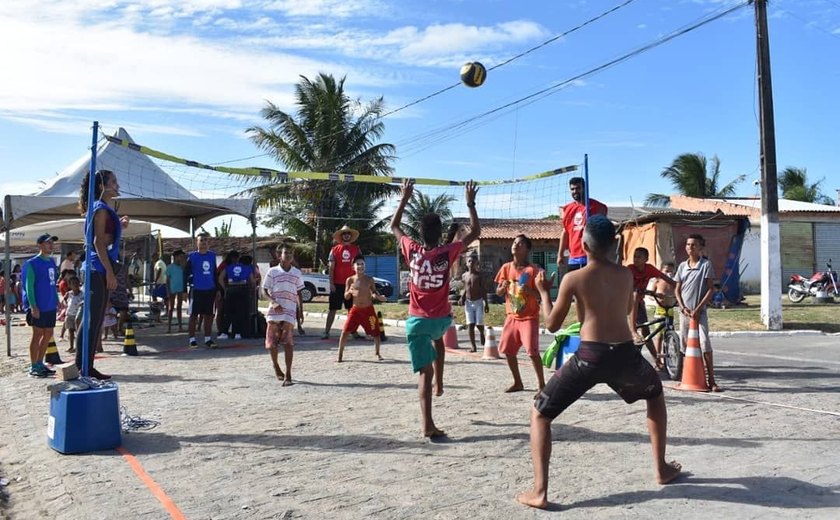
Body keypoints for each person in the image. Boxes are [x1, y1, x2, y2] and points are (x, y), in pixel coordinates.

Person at [517, 215, 681, 509]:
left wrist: (543, 293)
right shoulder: (626, 275)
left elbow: (552, 324)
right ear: (613, 245)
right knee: (654, 396)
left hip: (590, 355)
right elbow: (627, 307)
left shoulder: (574, 278)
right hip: (624, 354)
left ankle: (540, 491)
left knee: (540, 413)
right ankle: (661, 468)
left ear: (583, 244)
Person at [391, 179, 480, 438]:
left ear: (420, 234)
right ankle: (439, 381)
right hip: (441, 319)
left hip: (417, 321)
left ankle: (428, 420)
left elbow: (395, 226)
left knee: (423, 373)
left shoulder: (413, 250)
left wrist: (404, 197)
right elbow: (475, 232)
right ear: (441, 234)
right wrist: (470, 202)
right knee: (439, 339)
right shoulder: (447, 253)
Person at [76, 168, 129, 380]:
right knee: (92, 320)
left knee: (94, 320)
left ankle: (85, 366)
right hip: (97, 268)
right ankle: (84, 367)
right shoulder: (100, 208)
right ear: (102, 186)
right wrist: (109, 272)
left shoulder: (102, 208)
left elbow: (105, 239)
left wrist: (120, 227)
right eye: (114, 181)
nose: (118, 185)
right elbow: (98, 242)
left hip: (97, 267)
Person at [495, 234, 545, 395]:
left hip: (529, 317)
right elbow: (497, 291)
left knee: (532, 351)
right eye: (514, 242)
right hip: (511, 316)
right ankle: (517, 382)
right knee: (508, 351)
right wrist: (501, 289)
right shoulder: (506, 268)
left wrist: (529, 291)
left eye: (520, 243)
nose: (515, 245)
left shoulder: (533, 271)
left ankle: (542, 385)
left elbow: (541, 295)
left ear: (527, 249)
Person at [675, 233, 720, 392]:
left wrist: (699, 308)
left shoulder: (705, 265)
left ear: (701, 247)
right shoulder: (682, 266)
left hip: (699, 313)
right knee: (685, 344)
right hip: (685, 312)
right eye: (688, 244)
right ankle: (684, 377)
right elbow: (677, 290)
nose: (690, 247)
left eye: (694, 245)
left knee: (704, 342)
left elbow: (710, 289)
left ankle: (711, 380)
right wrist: (682, 307)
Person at [262, 245, 305, 386]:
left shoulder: (297, 273)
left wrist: (300, 311)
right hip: (274, 311)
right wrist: (273, 302)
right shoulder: (272, 271)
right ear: (279, 255)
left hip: (290, 310)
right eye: (286, 253)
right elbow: (264, 290)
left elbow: (299, 293)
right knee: (272, 344)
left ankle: (288, 374)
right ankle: (276, 366)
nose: (288, 255)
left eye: (291, 253)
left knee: (288, 343)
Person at [628, 247, 676, 370]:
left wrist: (679, 288)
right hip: (626, 302)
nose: (636, 259)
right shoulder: (630, 269)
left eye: (639, 257)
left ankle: (657, 361)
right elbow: (627, 287)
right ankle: (633, 331)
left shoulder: (649, 269)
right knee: (634, 295)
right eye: (635, 256)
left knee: (646, 333)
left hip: (639, 302)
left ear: (646, 259)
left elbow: (668, 280)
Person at [22, 234, 60, 377]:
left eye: (52, 243)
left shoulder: (51, 262)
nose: (51, 245)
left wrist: (57, 299)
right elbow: (29, 286)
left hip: (50, 305)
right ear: (40, 245)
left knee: (48, 333)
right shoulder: (32, 263)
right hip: (38, 305)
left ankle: (40, 362)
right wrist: (33, 306)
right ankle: (33, 365)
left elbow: (52, 283)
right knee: (37, 334)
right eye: (47, 243)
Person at [337, 255, 386, 362]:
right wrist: (349, 292)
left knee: (376, 333)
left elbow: (374, 292)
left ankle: (377, 353)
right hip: (355, 311)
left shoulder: (369, 279)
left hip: (368, 310)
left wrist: (377, 296)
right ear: (353, 267)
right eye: (358, 264)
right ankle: (339, 355)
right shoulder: (350, 280)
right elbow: (346, 296)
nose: (360, 266)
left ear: (365, 266)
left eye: (362, 264)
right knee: (345, 331)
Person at [557, 177, 608, 271]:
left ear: (585, 188)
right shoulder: (567, 209)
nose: (575, 191)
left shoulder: (598, 207)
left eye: (578, 188)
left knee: (591, 285)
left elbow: (604, 231)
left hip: (592, 257)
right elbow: (565, 232)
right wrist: (560, 254)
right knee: (575, 285)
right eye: (572, 189)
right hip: (574, 258)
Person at [322, 225, 361, 339]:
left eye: (348, 233)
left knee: (352, 310)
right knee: (332, 309)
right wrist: (331, 283)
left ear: (351, 235)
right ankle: (326, 331)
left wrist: (359, 282)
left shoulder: (356, 249)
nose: (346, 235)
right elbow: (331, 268)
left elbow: (360, 266)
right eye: (344, 233)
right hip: (337, 284)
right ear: (341, 236)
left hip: (352, 284)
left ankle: (353, 332)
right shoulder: (334, 250)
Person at [186, 232, 217, 348]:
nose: (204, 242)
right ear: (197, 242)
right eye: (201, 240)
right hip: (196, 290)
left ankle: (208, 339)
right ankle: (192, 340)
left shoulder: (212, 256)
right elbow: (186, 273)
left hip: (210, 289)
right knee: (193, 315)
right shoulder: (192, 256)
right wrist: (185, 289)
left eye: (205, 240)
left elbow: (214, 272)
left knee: (209, 315)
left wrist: (217, 289)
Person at [218, 251, 254, 340]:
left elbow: (220, 278)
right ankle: (238, 333)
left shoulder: (228, 267)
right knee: (240, 312)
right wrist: (250, 289)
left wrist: (225, 288)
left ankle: (224, 332)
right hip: (243, 289)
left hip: (231, 289)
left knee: (229, 312)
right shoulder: (247, 268)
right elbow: (252, 281)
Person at [460, 253, 489, 352]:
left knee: (478, 323)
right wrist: (462, 298)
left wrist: (486, 303)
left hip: (478, 301)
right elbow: (465, 288)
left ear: (477, 263)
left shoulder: (479, 276)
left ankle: (481, 333)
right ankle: (473, 346)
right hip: (468, 302)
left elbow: (484, 290)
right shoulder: (464, 276)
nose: (471, 263)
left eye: (473, 262)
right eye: (469, 261)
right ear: (466, 264)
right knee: (470, 324)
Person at [652, 262, 677, 364]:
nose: (668, 274)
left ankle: (670, 354)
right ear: (661, 271)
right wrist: (656, 295)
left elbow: (678, 291)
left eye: (671, 271)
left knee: (670, 331)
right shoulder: (658, 281)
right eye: (666, 271)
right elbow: (651, 293)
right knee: (659, 335)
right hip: (660, 309)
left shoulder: (674, 282)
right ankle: (657, 357)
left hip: (670, 309)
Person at [166, 249, 187, 333]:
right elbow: (167, 280)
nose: (181, 258)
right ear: (175, 257)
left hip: (181, 289)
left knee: (179, 307)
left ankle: (180, 326)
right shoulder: (170, 267)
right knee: (171, 308)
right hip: (172, 289)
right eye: (180, 256)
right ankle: (169, 327)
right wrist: (167, 291)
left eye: (182, 257)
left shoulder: (183, 267)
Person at [63, 277, 83, 353]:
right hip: (70, 314)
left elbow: (84, 301)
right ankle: (71, 346)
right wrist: (65, 304)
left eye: (76, 283)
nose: (75, 285)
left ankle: (78, 346)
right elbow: (64, 300)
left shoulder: (82, 294)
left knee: (78, 331)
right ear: (70, 285)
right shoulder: (69, 293)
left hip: (78, 315)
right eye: (73, 284)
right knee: (70, 331)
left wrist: (80, 304)